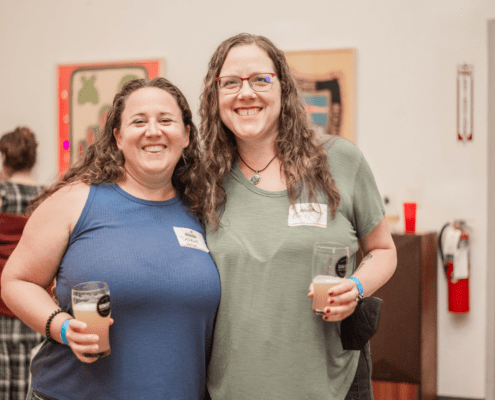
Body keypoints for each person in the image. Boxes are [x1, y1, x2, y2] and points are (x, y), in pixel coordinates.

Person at [196, 33, 397, 399]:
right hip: (234, 386)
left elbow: (383, 250)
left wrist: (357, 287)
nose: (246, 93)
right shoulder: (203, 180)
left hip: (330, 384)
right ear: (215, 94)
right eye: (231, 83)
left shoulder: (340, 160)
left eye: (261, 79)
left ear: (283, 87)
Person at [2, 77, 221, 400]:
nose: (153, 130)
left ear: (187, 135)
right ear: (118, 137)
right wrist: (62, 327)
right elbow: (16, 281)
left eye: (166, 120)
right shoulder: (75, 200)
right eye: (138, 121)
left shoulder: (205, 211)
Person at [0, 127, 44, 400]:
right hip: (36, 299)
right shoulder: (48, 196)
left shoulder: (2, 194)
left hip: (3, 301)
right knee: (34, 375)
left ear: (5, 156)